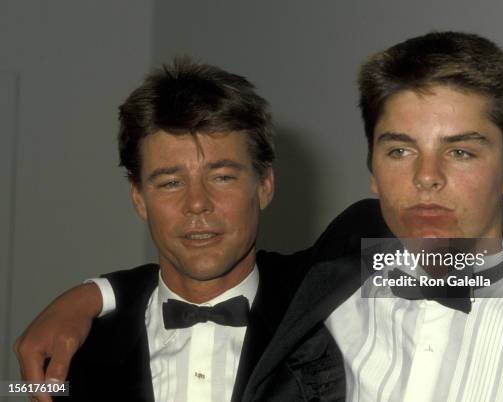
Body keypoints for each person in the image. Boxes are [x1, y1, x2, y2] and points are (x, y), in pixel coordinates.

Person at [15, 32, 503, 401]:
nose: (427, 177)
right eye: (401, 149)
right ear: (373, 168)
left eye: (461, 150)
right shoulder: (330, 278)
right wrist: (87, 296)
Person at [13, 58, 346, 401]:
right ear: (139, 198)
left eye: (222, 177)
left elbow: (385, 240)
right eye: (171, 182)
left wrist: (101, 290)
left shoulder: (330, 317)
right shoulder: (75, 356)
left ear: (264, 185)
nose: (197, 203)